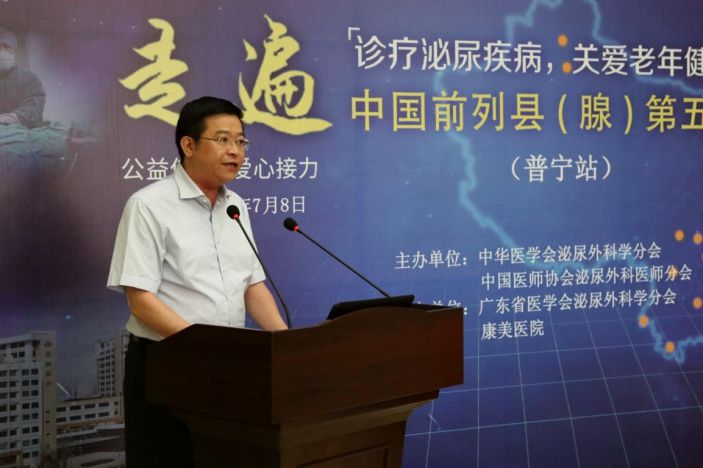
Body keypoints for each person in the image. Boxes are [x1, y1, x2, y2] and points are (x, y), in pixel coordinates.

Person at [107, 96, 287, 467]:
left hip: (226, 364)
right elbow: (141, 300)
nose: (235, 151)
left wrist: (287, 347)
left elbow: (252, 286)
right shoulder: (149, 205)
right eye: (222, 140)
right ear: (188, 145)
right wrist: (204, 350)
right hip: (167, 364)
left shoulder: (235, 206)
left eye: (240, 141)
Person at [0, 27, 45, 127]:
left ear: (14, 50)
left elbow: (35, 105)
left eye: (6, 46)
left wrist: (14, 117)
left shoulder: (29, 79)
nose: (2, 51)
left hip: (22, 131)